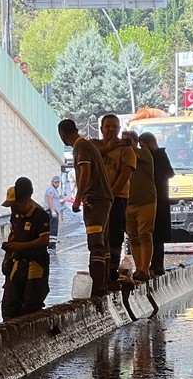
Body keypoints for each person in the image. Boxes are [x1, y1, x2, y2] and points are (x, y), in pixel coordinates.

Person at [59, 118, 113, 297]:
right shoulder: (88, 145)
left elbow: (85, 173)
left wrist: (78, 198)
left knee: (96, 244)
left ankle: (97, 288)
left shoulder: (80, 147)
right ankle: (103, 285)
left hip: (95, 200)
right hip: (104, 199)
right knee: (103, 245)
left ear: (62, 134)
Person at [94, 114, 136, 287]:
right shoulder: (94, 146)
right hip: (97, 199)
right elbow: (88, 158)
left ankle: (112, 272)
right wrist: (107, 148)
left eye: (114, 126)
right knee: (98, 236)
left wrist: (110, 194)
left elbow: (126, 173)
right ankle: (99, 273)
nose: (110, 129)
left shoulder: (126, 149)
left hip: (117, 198)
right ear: (102, 128)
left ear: (119, 128)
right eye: (107, 126)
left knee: (115, 234)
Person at [1, 177, 51, 319]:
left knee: (30, 305)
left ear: (24, 201)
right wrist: (7, 257)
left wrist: (21, 246)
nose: (13, 209)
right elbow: (13, 234)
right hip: (18, 263)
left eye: (15, 205)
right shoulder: (16, 215)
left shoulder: (40, 215)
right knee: (9, 304)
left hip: (36, 264)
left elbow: (44, 240)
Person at [137, 132, 174, 276]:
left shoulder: (159, 156)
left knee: (157, 234)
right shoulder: (155, 156)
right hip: (154, 198)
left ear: (151, 143)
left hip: (160, 199)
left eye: (144, 146)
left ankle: (157, 264)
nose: (143, 150)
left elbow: (169, 173)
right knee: (152, 233)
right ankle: (153, 264)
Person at [123, 130, 156, 281]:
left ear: (135, 141)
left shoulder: (144, 154)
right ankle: (139, 268)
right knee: (133, 237)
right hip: (128, 202)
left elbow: (134, 156)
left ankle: (145, 269)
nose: (125, 144)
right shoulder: (121, 156)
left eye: (128, 141)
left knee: (145, 234)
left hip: (146, 201)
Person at [44, 175, 64, 246]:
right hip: (52, 211)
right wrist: (52, 210)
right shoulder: (51, 189)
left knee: (52, 227)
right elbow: (50, 199)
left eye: (58, 182)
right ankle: (51, 244)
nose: (57, 184)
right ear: (52, 182)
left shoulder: (53, 189)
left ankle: (51, 243)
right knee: (53, 228)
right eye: (56, 182)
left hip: (53, 210)